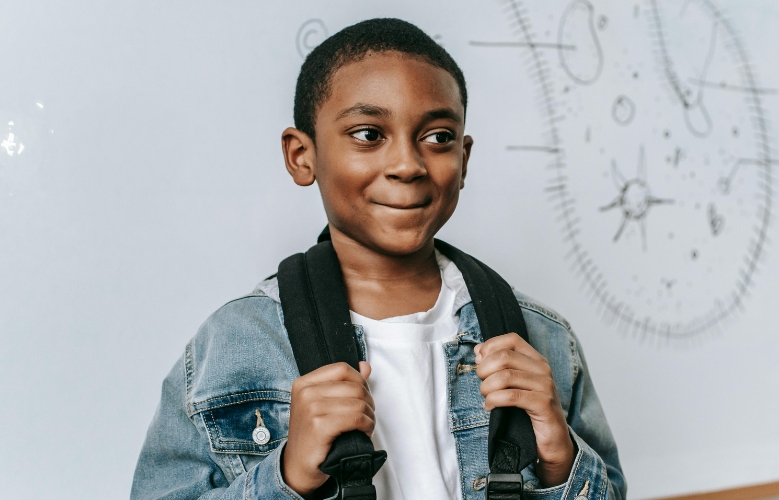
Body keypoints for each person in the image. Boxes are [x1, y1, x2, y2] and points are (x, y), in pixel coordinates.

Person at [131, 17, 625, 500]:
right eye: (368, 134)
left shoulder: (543, 339)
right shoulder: (234, 345)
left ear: (465, 160)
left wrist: (562, 459)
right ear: (302, 156)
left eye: (438, 138)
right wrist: (287, 476)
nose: (408, 165)